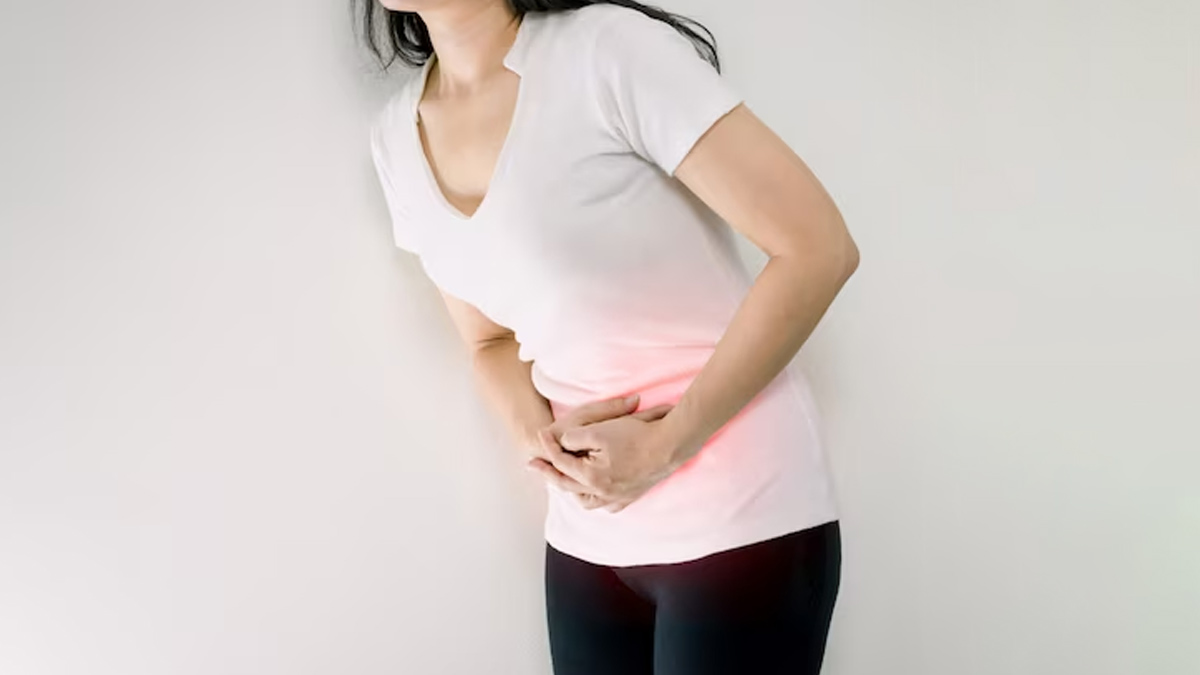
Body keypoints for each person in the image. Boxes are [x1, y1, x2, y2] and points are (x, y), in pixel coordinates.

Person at [359, 1, 859, 672]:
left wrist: (665, 444)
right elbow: (488, 342)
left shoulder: (606, 52)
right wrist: (549, 452)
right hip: (587, 539)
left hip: (741, 513)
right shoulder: (394, 139)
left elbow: (818, 248)